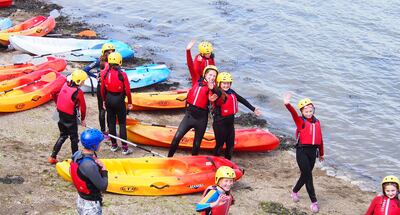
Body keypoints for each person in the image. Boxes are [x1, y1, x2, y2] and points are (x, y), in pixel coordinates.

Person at [283, 93, 324, 213]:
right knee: (308, 176)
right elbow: (293, 113)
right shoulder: (300, 121)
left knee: (305, 175)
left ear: (313, 110)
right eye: (306, 111)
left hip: (313, 153)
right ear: (302, 112)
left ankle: (294, 191)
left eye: (311, 111)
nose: (309, 113)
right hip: (302, 151)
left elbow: (320, 139)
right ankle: (314, 202)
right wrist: (287, 104)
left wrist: (321, 153)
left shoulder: (317, 122)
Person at [167, 65, 219, 157]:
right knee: (177, 138)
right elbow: (190, 65)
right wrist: (188, 51)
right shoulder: (196, 80)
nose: (212, 78)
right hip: (189, 115)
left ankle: (193, 164)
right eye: (210, 75)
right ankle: (169, 158)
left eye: (214, 76)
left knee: (196, 145)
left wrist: (212, 90)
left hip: (201, 119)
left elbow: (214, 96)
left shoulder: (214, 88)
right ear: (205, 74)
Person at [211, 72, 261, 160]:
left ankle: (228, 161)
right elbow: (215, 91)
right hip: (219, 125)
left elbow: (242, 99)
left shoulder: (231, 92)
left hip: (230, 125)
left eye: (228, 83)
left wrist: (253, 109)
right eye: (224, 83)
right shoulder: (218, 93)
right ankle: (214, 162)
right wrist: (211, 87)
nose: (226, 85)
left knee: (230, 146)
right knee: (219, 145)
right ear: (219, 83)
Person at [48, 69, 88, 164]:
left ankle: (52, 157)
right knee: (74, 138)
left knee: (63, 135)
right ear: (78, 81)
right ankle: (75, 160)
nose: (84, 82)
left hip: (59, 113)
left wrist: (57, 103)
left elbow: (53, 92)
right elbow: (83, 108)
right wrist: (83, 120)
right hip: (70, 117)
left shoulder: (65, 84)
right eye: (83, 81)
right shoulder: (78, 92)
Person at [100, 51, 133, 155]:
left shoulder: (104, 73)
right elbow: (127, 90)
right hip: (119, 100)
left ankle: (114, 145)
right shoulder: (122, 74)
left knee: (111, 123)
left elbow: (102, 89)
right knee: (122, 124)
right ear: (119, 62)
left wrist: (104, 101)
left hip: (109, 99)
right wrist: (130, 103)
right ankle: (124, 148)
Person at [70, 128, 108, 215]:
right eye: (99, 143)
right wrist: (104, 170)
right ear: (94, 145)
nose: (100, 144)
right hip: (91, 205)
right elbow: (103, 186)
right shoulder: (89, 165)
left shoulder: (77, 154)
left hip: (81, 199)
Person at [83, 43, 115, 139]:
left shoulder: (113, 61)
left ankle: (108, 131)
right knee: (103, 110)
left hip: (108, 88)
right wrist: (95, 76)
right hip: (103, 88)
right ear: (104, 52)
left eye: (113, 51)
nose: (111, 53)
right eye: (109, 52)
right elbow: (86, 69)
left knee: (108, 110)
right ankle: (104, 131)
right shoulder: (99, 61)